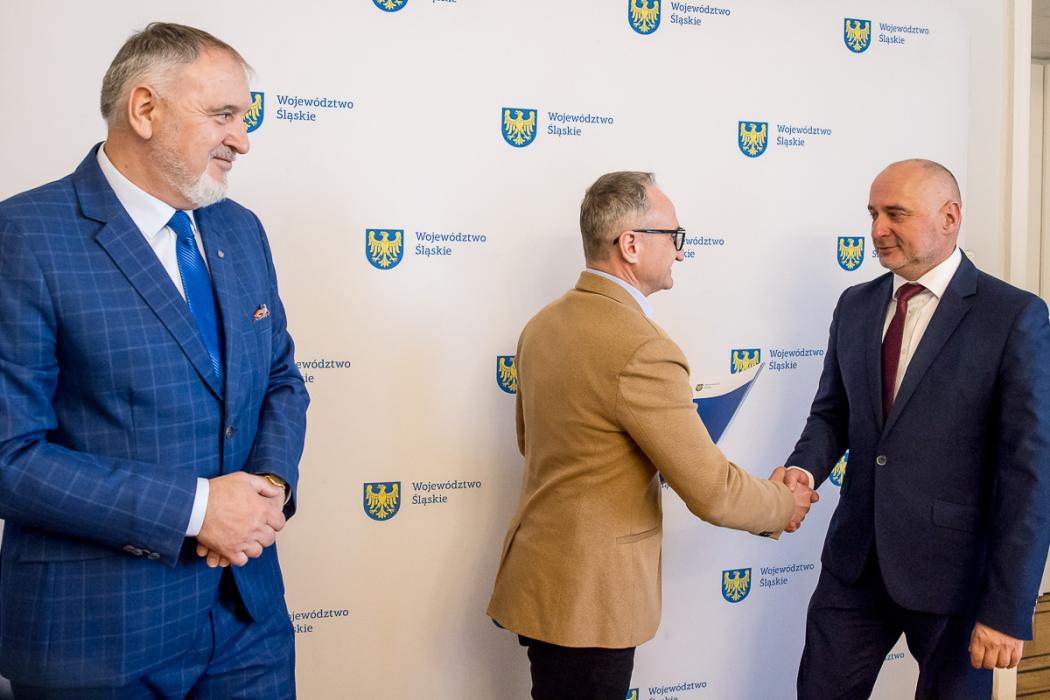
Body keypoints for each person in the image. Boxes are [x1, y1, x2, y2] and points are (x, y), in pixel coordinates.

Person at [0, 22, 309, 697]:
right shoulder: (23, 235)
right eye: (223, 115)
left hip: (249, 622)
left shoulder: (241, 229)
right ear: (144, 109)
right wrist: (198, 510)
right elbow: (9, 456)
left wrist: (268, 489)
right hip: (98, 639)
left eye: (245, 118)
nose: (243, 140)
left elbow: (282, 379)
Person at [486, 171, 815, 700]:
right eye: (674, 236)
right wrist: (783, 504)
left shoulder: (541, 325)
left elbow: (538, 444)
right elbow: (712, 491)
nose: (681, 252)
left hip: (540, 581)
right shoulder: (643, 347)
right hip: (592, 601)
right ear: (631, 245)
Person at [784, 159, 1050, 698]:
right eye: (873, 214)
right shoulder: (855, 305)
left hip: (957, 580)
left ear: (950, 217)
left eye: (895, 214)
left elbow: (1031, 474)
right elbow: (832, 414)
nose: (878, 229)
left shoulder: (1013, 316)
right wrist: (802, 470)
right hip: (853, 565)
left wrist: (1008, 607)